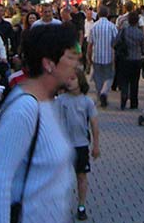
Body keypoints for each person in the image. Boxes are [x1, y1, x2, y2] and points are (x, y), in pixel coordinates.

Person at [0, 24, 78, 223]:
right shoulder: (24, 109)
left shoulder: (49, 103)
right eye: (70, 57)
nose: (75, 64)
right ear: (49, 64)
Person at [56, 68, 100, 221]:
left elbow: (94, 124)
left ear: (80, 81)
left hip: (81, 145)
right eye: (67, 79)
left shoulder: (87, 101)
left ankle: (81, 205)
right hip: (64, 146)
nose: (69, 82)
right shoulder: (61, 101)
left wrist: (96, 146)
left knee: (81, 176)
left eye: (73, 79)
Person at [115, 11, 144, 110]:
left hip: (125, 59)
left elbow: (116, 41)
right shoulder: (140, 33)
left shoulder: (124, 30)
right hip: (136, 59)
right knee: (135, 82)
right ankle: (134, 102)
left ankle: (124, 97)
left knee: (124, 80)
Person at [87, 5, 118, 107]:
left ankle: (100, 95)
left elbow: (90, 44)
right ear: (108, 14)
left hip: (96, 56)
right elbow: (116, 42)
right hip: (109, 56)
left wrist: (89, 56)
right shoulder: (112, 26)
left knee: (98, 77)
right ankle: (104, 92)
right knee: (109, 76)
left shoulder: (94, 27)